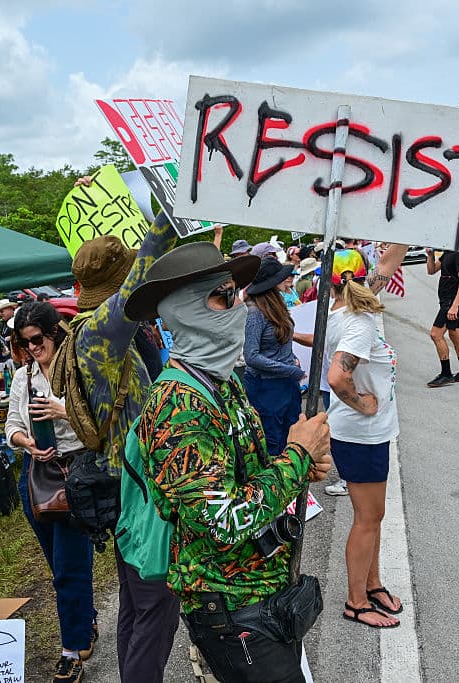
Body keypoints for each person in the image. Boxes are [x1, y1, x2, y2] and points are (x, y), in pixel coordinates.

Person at [123, 241, 333, 683]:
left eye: (238, 293)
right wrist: (296, 458)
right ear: (185, 311)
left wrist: (297, 463)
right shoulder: (177, 404)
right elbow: (220, 519)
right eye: (224, 295)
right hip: (233, 608)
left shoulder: (223, 382)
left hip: (263, 592)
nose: (239, 307)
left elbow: (246, 474)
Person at [61, 191, 181, 683]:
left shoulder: (92, 332)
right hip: (137, 488)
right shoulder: (99, 332)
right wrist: (173, 208)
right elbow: (144, 269)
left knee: (136, 602)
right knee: (156, 604)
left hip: (127, 481)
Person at [5, 302, 96, 683]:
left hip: (77, 475)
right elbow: (10, 426)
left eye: (37, 339)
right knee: (59, 565)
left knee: (68, 568)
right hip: (38, 476)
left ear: (54, 332)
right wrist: (27, 442)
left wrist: (63, 411)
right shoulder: (22, 377)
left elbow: (99, 422)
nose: (31, 348)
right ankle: (85, 617)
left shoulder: (79, 369)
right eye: (24, 343)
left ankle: (70, 651)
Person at [325, 258, 403, 630]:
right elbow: (338, 377)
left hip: (366, 434)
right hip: (361, 434)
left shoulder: (344, 310)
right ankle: (356, 602)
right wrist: (362, 403)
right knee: (367, 520)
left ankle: (372, 584)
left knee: (374, 517)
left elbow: (388, 265)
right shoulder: (357, 322)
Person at [243, 259, 306, 458]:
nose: (286, 279)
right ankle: (275, 482)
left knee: (292, 435)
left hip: (286, 384)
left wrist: (292, 358)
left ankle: (290, 480)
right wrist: (290, 369)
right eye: (281, 277)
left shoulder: (277, 305)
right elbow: (251, 356)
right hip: (266, 388)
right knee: (271, 440)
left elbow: (282, 343)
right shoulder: (254, 313)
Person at [425, 249, 459, 387]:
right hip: (447, 299)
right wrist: (430, 255)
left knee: (436, 334)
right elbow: (431, 270)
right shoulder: (448, 253)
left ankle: (446, 374)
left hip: (452, 301)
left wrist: (455, 306)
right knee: (454, 333)